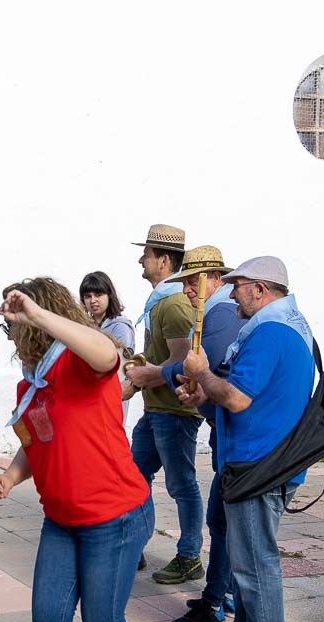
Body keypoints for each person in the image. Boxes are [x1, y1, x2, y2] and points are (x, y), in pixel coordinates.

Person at [0, 277, 167, 622]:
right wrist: (11, 474)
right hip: (63, 518)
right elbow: (35, 436)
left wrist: (37, 315)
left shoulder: (81, 362)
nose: (8, 325)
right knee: (48, 621)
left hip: (115, 516)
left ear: (41, 317)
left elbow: (108, 353)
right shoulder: (35, 380)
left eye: (15, 318)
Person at [176, 256, 315, 622]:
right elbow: (247, 392)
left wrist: (202, 375)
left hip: (260, 463)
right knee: (246, 556)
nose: (231, 292)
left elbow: (237, 398)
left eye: (237, 285)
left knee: (255, 561)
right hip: (265, 459)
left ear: (261, 289)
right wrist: (205, 393)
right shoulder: (288, 327)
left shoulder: (269, 333)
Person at [125, 246, 245, 622]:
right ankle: (218, 596)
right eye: (187, 282)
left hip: (211, 429)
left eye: (195, 282)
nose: (189, 290)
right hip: (206, 426)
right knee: (220, 519)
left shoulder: (219, 313)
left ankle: (217, 596)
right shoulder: (195, 309)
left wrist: (157, 375)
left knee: (212, 510)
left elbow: (202, 367)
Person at [129, 224, 205, 585]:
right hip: (156, 408)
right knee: (132, 477)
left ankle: (190, 555)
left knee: (182, 485)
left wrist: (144, 377)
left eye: (145, 254)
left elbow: (177, 364)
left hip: (174, 411)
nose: (140, 260)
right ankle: (133, 546)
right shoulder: (163, 299)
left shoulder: (173, 302)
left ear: (163, 259)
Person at [80, 270, 137, 426]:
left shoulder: (120, 327)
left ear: (109, 295)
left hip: (111, 396)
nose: (93, 300)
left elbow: (119, 367)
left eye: (98, 295)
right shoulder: (86, 326)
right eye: (87, 296)